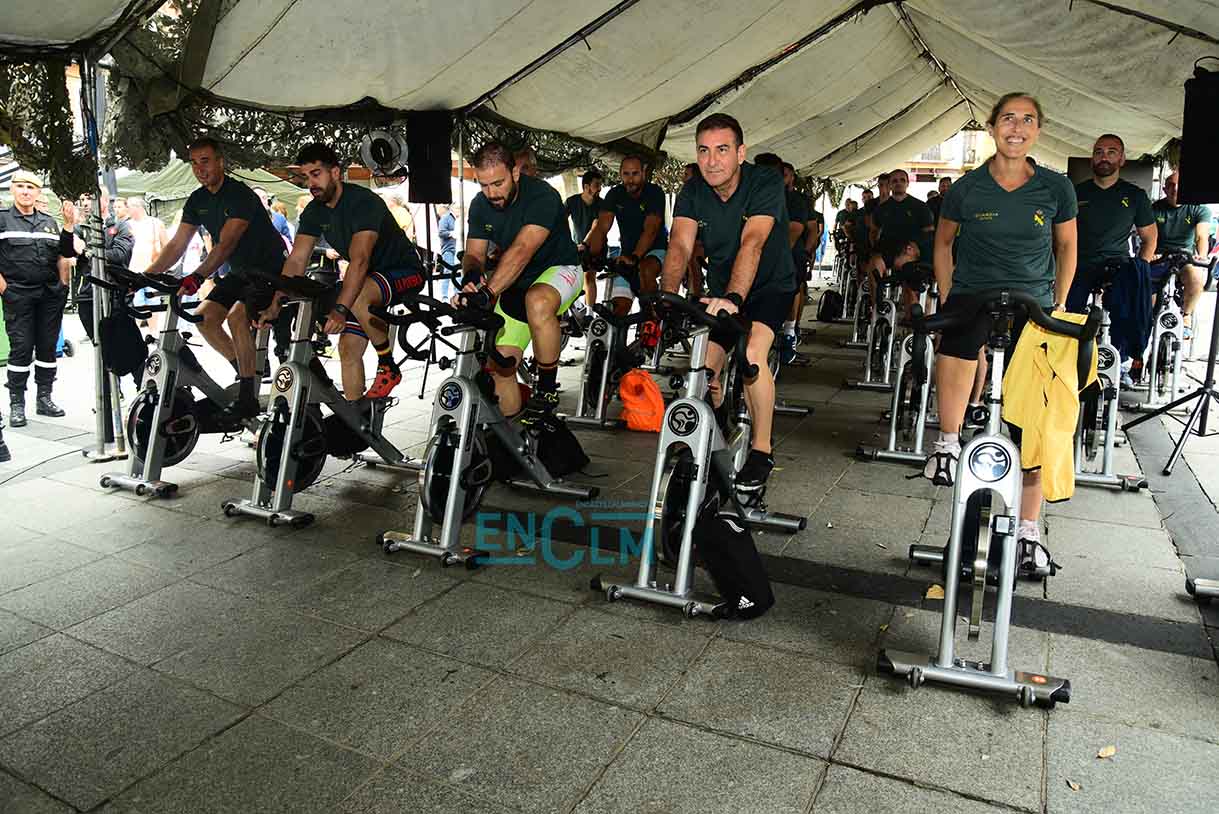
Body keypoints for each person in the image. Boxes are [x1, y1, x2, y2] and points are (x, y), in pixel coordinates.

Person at [922, 92, 1078, 575]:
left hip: (1034, 301)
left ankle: (1029, 531)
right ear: (992, 128)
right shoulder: (967, 188)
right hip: (974, 294)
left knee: (1033, 423)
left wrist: (1059, 303)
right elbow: (943, 243)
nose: (1017, 127)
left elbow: (1067, 246)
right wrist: (948, 296)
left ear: (1038, 130)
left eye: (1027, 119)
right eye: (1008, 118)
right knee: (957, 340)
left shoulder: (1056, 187)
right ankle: (948, 443)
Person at [661, 113, 798, 494]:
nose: (712, 161)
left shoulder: (765, 182)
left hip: (770, 287)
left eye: (722, 150)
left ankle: (762, 450)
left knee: (752, 353)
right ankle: (718, 421)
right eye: (703, 151)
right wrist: (667, 296)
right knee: (703, 367)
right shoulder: (693, 191)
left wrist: (736, 298)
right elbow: (680, 244)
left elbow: (753, 242)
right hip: (722, 290)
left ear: (740, 153)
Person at [143, 136, 289, 420]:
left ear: (221, 162)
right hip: (240, 272)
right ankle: (246, 376)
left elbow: (226, 245)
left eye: (206, 161)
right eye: (194, 163)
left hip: (271, 269)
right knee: (203, 318)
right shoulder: (198, 199)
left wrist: (197, 277)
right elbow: (177, 244)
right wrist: (145, 276)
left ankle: (247, 396)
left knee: (236, 317)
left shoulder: (239, 195)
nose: (200, 169)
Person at [268, 142, 426, 400]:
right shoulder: (314, 211)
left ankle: (387, 364)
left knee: (359, 294)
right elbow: (297, 258)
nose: (311, 183)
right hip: (367, 279)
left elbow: (360, 260)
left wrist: (341, 310)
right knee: (348, 349)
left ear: (335, 173)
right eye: (306, 177)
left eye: (316, 174)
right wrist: (277, 300)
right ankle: (356, 416)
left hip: (404, 271)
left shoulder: (364, 202)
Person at [455, 141, 582, 421]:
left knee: (537, 300)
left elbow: (522, 251)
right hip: (516, 282)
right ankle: (512, 435)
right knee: (501, 365)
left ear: (514, 173)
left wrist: (488, 293)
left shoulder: (542, 196)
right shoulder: (480, 205)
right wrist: (472, 280)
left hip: (560, 270)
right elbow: (474, 254)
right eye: (484, 185)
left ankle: (546, 390)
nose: (491, 193)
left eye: (498, 183)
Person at [0, 169, 77, 427]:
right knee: (21, 349)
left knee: (47, 347)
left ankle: (44, 398)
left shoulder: (49, 222)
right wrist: (5, 290)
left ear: (38, 192)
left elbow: (64, 253)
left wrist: (63, 285)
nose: (25, 191)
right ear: (13, 190)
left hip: (49, 295)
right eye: (20, 186)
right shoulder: (2, 220)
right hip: (18, 295)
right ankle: (17, 404)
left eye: (30, 187)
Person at [1065, 134, 1156, 314]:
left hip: (1118, 265)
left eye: (1111, 152)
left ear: (1122, 159)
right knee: (1066, 317)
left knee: (1131, 316)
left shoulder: (1135, 195)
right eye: (1098, 152)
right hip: (1078, 265)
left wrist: (1139, 269)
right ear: (1092, 159)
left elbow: (1150, 239)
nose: (1104, 157)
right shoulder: (1074, 193)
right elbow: (1060, 235)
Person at [587, 155, 668, 347]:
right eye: (626, 174)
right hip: (627, 256)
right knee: (619, 309)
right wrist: (591, 254)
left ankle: (652, 321)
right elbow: (602, 226)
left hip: (655, 251)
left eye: (635, 174)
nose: (630, 179)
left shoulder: (654, 192)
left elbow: (651, 229)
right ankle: (617, 353)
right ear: (620, 174)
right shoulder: (615, 194)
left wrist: (636, 256)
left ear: (643, 173)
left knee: (645, 270)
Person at [755, 153, 809, 366]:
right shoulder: (751, 196)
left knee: (791, 287)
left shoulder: (794, 200)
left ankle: (789, 331)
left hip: (788, 253)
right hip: (757, 254)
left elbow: (794, 232)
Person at [1152, 169, 1212, 336]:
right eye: (1171, 185)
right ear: (1164, 189)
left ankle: (1186, 316)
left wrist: (1202, 256)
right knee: (1146, 291)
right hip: (1160, 257)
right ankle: (1150, 319)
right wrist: (1151, 253)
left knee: (1196, 281)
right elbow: (1150, 236)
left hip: (1185, 258)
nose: (1175, 189)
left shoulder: (1198, 208)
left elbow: (1201, 236)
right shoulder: (1155, 208)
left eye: (1179, 185)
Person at [873, 168, 935, 265]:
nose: (899, 183)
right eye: (894, 181)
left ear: (907, 183)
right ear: (889, 185)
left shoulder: (921, 207)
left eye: (902, 180)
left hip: (913, 257)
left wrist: (913, 248)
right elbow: (874, 233)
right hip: (887, 257)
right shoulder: (881, 209)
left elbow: (929, 234)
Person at [564, 169, 604, 306]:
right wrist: (568, 243)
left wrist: (585, 244)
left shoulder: (602, 204)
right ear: (586, 187)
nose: (600, 188)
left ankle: (590, 312)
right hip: (576, 246)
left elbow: (596, 227)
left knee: (589, 277)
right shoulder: (571, 201)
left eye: (600, 185)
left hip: (595, 247)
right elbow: (560, 221)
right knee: (573, 279)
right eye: (597, 185)